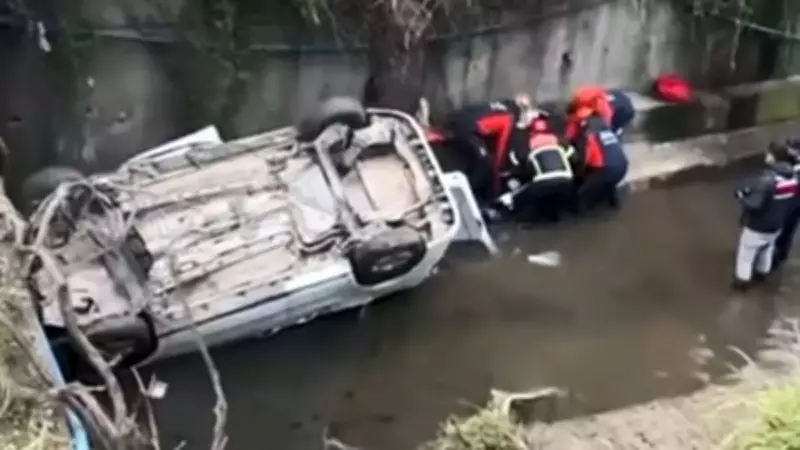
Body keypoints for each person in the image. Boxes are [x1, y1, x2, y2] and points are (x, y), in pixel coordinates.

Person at [444, 94, 535, 202]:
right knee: (486, 163)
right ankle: (463, 196)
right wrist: (497, 173)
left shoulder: (499, 105)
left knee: (474, 156)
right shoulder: (509, 117)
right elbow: (502, 148)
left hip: (459, 120)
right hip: (470, 131)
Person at [733, 143, 799, 291]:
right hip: (777, 224)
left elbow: (754, 205)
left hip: (758, 225)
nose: (766, 156)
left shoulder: (768, 180)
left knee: (746, 254)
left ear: (775, 158)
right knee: (766, 249)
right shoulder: (793, 179)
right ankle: (762, 274)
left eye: (769, 154)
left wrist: (742, 197)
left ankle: (741, 282)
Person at [496, 113, 575, 222]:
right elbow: (575, 157)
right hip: (566, 180)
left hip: (542, 182)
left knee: (522, 194)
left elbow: (520, 164)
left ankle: (504, 208)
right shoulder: (559, 140)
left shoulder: (530, 143)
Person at [567, 106, 629, 212]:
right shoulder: (608, 130)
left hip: (605, 169)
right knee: (608, 184)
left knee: (581, 194)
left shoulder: (589, 135)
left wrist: (577, 175)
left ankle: (580, 219)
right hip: (623, 166)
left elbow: (584, 160)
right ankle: (613, 204)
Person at [565, 85, 635, 139]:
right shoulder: (581, 97)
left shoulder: (604, 110)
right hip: (614, 96)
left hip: (624, 110)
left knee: (610, 137)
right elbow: (575, 122)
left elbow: (606, 125)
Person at [772, 140, 800, 269]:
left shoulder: (796, 168)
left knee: (786, 228)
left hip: (793, 202)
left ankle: (778, 255)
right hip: (794, 202)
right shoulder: (794, 163)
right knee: (789, 229)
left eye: (790, 148)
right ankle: (781, 253)